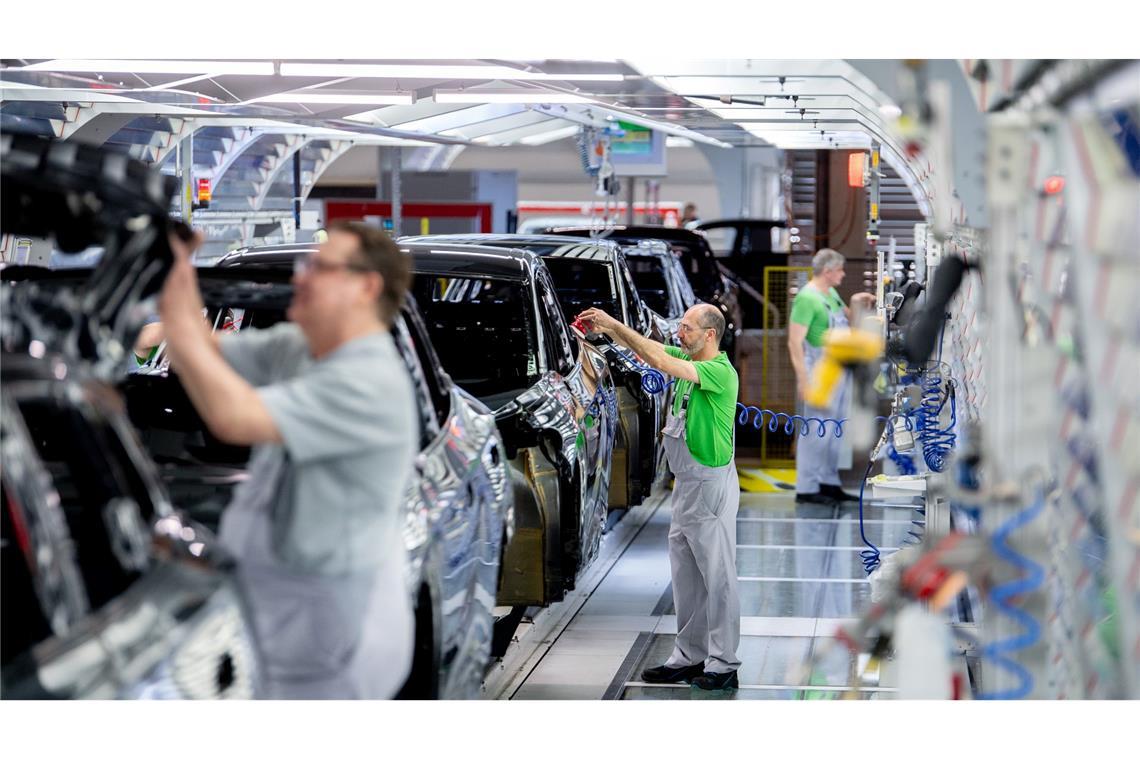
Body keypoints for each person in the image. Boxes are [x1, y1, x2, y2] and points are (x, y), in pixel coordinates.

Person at [158, 220, 418, 699]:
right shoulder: (302, 350)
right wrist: (170, 282)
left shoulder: (369, 382)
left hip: (332, 629)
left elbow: (232, 417)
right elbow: (200, 347)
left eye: (318, 267)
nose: (300, 276)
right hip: (283, 609)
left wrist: (175, 280)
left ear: (365, 286)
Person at [577, 303, 741, 691]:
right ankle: (689, 654)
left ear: (709, 335)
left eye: (686, 328)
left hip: (710, 486)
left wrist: (613, 322)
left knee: (717, 577)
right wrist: (605, 332)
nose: (678, 333)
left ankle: (724, 661)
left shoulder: (718, 371)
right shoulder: (688, 355)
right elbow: (646, 350)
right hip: (686, 484)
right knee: (686, 575)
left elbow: (659, 360)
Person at [787, 248, 875, 506]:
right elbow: (795, 343)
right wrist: (803, 380)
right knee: (816, 429)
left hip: (839, 368)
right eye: (840, 270)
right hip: (819, 370)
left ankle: (828, 482)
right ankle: (807, 487)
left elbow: (847, 319)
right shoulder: (807, 299)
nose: (843, 274)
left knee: (835, 428)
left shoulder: (831, 293)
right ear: (828, 271)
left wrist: (858, 301)